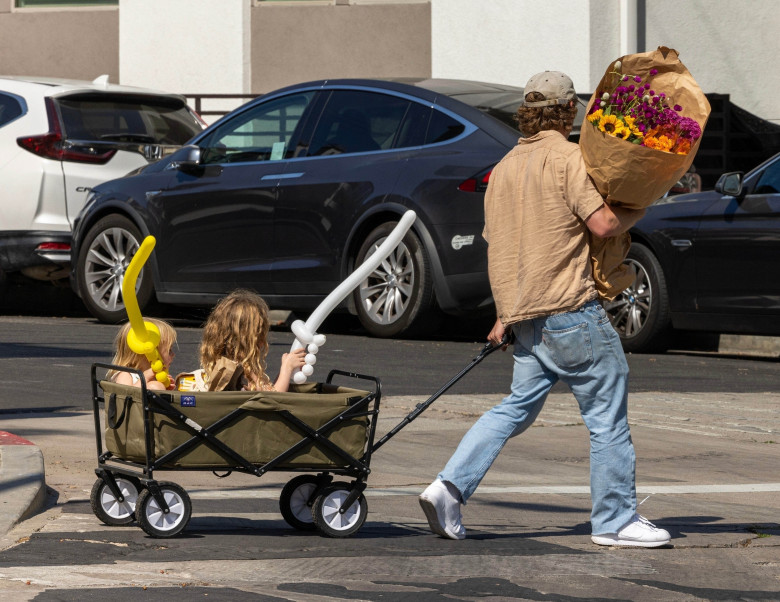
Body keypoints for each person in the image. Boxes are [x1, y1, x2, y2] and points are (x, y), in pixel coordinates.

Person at [419, 71, 671, 548]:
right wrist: (645, 201)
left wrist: (503, 316)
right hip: (571, 311)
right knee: (607, 418)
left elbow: (507, 247)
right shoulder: (567, 158)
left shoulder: (504, 168)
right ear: (568, 111)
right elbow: (602, 224)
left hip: (526, 318)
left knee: (514, 408)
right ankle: (615, 521)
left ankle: (447, 487)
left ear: (527, 112)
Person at [193, 289, 306, 392]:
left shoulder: (222, 364)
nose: (264, 340)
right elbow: (273, 400)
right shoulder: (239, 367)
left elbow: (270, 392)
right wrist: (286, 368)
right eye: (261, 334)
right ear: (252, 339)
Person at [108, 317, 177, 391]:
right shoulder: (125, 375)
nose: (173, 354)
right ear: (145, 354)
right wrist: (145, 378)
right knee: (155, 386)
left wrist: (166, 389)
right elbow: (125, 398)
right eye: (169, 350)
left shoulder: (157, 376)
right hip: (133, 402)